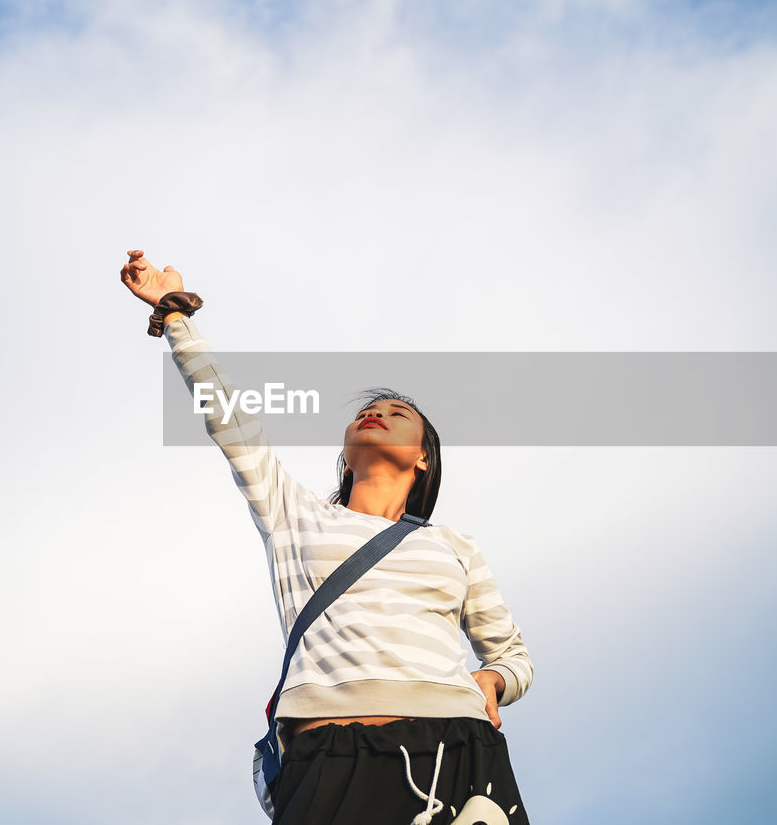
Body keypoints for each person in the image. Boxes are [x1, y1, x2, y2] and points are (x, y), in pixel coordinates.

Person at [121, 250, 533, 825]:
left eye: (397, 412)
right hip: (332, 754)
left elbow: (512, 656)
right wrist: (174, 318)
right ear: (344, 454)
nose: (377, 413)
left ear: (422, 458)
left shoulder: (453, 547)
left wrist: (492, 678)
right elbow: (231, 420)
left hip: (460, 751)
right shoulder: (294, 514)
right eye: (368, 410)